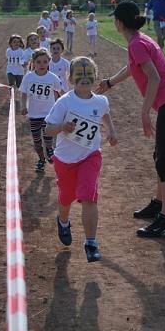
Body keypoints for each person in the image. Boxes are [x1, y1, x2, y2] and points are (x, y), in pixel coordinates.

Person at [97, 1, 165, 238]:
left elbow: (154, 78)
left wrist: (144, 112)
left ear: (119, 23)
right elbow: (132, 67)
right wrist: (109, 83)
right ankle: (159, 204)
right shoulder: (138, 40)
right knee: (160, 156)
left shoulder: (137, 43)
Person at [45, 56, 117, 262]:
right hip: (65, 159)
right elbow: (48, 129)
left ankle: (91, 243)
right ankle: (63, 221)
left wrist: (111, 131)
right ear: (70, 79)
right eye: (80, 74)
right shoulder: (65, 102)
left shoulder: (101, 101)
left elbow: (104, 114)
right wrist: (61, 127)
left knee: (88, 195)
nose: (85, 78)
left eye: (89, 74)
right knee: (66, 197)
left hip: (90, 156)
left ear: (95, 76)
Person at [20, 48, 64, 173]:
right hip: (33, 114)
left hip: (48, 114)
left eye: (45, 61)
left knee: (48, 137)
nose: (42, 64)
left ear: (49, 62)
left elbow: (59, 92)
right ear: (33, 62)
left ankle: (49, 149)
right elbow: (23, 94)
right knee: (37, 141)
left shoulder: (52, 78)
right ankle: (41, 159)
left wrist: (61, 107)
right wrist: (23, 106)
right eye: (38, 62)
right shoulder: (28, 77)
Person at [6, 34, 25, 107]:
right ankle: (11, 96)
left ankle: (21, 97)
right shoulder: (8, 51)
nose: (16, 43)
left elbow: (23, 59)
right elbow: (8, 58)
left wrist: (23, 63)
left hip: (19, 70)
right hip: (10, 69)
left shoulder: (21, 51)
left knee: (19, 85)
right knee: (11, 83)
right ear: (11, 43)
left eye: (18, 42)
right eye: (14, 42)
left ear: (20, 43)